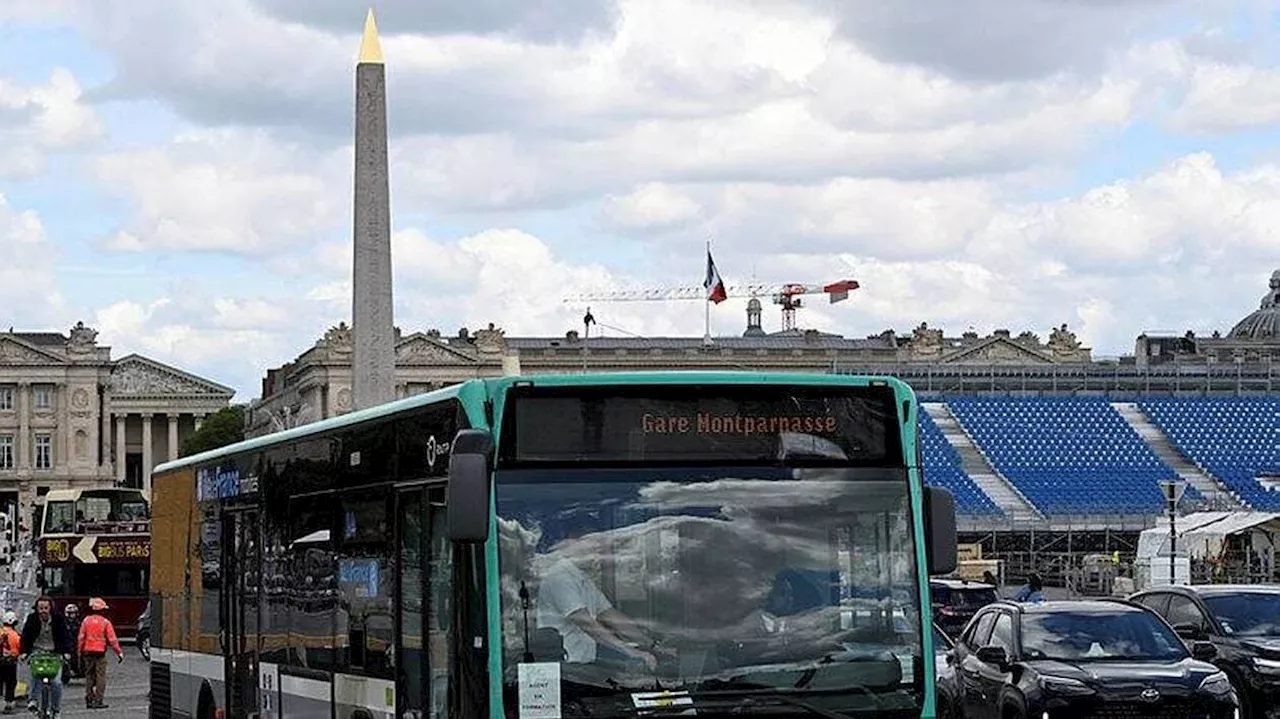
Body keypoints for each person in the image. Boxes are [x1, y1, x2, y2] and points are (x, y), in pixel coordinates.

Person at [536, 556, 662, 670]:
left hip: (585, 659)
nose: (597, 556)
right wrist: (629, 651)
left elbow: (611, 616)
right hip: (564, 665)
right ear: (574, 539)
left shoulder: (583, 578)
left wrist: (651, 645)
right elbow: (585, 622)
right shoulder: (559, 577)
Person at [19, 596, 71, 717]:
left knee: (57, 682)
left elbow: (66, 636)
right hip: (37, 652)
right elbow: (25, 637)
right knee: (35, 677)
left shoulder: (58, 619)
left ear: (50, 608)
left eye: (46, 608)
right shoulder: (32, 619)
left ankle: (56, 709)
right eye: (40, 608)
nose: (43, 610)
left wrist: (66, 652)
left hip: (54, 653)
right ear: (36, 608)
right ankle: (33, 700)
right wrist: (24, 652)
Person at [76, 598, 123, 710]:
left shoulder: (86, 621)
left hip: (87, 652)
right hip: (100, 652)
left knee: (89, 676)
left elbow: (81, 638)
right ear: (102, 610)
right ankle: (98, 700)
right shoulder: (105, 622)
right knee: (100, 676)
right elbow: (112, 640)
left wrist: (79, 651)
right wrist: (119, 652)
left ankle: (89, 698)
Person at [0, 611, 19, 713]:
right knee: (10, 683)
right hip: (10, 663)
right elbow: (19, 648)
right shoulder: (15, 635)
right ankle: (9, 703)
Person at [60, 605, 80, 686]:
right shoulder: (63, 623)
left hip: (75, 643)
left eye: (74, 614)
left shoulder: (78, 623)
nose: (73, 616)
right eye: (71, 614)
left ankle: (77, 670)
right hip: (66, 644)